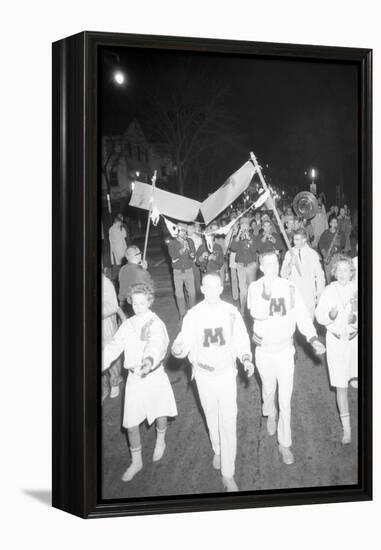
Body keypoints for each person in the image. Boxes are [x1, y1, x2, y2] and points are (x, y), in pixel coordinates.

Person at [171, 272, 254, 492]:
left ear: (221, 288)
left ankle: (229, 473)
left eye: (216, 286)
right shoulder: (193, 315)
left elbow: (241, 338)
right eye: (207, 286)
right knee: (211, 417)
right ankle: (217, 449)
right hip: (204, 376)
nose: (211, 291)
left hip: (226, 374)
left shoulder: (231, 312)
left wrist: (245, 357)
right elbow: (183, 341)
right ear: (201, 289)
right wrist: (177, 349)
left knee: (228, 422)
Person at [247, 252, 325, 465]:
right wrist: (266, 293)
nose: (272, 267)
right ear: (261, 267)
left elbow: (301, 315)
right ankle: (269, 412)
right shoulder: (255, 288)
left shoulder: (289, 287)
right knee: (269, 391)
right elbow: (257, 313)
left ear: (278, 264)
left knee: (286, 400)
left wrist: (312, 338)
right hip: (264, 352)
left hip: (285, 352)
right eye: (267, 264)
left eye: (275, 263)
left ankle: (285, 443)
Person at [102, 283, 178, 481]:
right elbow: (113, 347)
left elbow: (157, 343)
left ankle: (160, 439)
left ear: (149, 302)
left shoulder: (155, 322)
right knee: (131, 423)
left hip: (153, 375)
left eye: (142, 303)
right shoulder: (127, 325)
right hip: (134, 379)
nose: (138, 307)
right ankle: (136, 461)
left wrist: (148, 360)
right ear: (130, 303)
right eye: (134, 303)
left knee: (161, 411)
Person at [315, 255, 358, 443]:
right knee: (341, 386)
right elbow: (319, 316)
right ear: (334, 272)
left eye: (346, 270)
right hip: (335, 342)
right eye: (338, 270)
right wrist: (330, 315)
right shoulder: (328, 291)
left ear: (352, 272)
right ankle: (347, 429)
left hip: (356, 342)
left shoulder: (358, 289)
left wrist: (355, 320)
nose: (342, 273)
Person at [280, 228, 325, 318]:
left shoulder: (312, 254)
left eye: (297, 239)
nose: (294, 242)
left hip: (309, 294)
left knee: (309, 323)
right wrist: (290, 264)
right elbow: (283, 275)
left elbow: (320, 276)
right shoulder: (289, 253)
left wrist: (319, 293)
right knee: (294, 323)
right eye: (293, 239)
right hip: (294, 294)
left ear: (304, 240)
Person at [102, 273, 126, 400]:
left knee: (110, 351)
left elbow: (113, 306)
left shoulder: (105, 282)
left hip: (105, 326)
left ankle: (115, 380)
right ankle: (103, 385)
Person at [230, 217, 260, 315]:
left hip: (251, 265)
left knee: (252, 288)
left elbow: (256, 249)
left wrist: (249, 239)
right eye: (242, 225)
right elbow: (233, 248)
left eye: (246, 225)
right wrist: (238, 236)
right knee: (243, 290)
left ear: (249, 226)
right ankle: (243, 310)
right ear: (240, 227)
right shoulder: (237, 237)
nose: (244, 227)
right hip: (241, 266)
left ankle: (253, 309)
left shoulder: (253, 236)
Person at [167, 223, 196, 321]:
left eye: (185, 231)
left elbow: (193, 255)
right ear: (177, 231)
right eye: (182, 231)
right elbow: (173, 255)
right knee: (179, 294)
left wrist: (192, 255)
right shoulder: (172, 243)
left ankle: (192, 313)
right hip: (177, 271)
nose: (184, 233)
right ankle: (182, 314)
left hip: (188, 270)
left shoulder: (190, 241)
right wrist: (182, 250)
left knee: (192, 293)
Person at [118, 246, 154, 312]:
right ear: (138, 256)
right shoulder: (141, 272)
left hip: (123, 305)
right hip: (136, 306)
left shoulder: (122, 269)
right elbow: (150, 288)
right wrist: (145, 270)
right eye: (140, 253)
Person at [318, 216, 345, 283]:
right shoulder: (325, 232)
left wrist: (337, 247)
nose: (334, 223)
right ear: (329, 223)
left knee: (337, 274)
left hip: (336, 256)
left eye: (335, 222)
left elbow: (343, 244)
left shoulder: (340, 233)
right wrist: (325, 255)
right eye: (332, 222)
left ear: (337, 224)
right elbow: (321, 245)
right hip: (327, 256)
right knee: (328, 275)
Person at [187, 223, 203, 294]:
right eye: (187, 229)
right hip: (187, 262)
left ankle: (198, 294)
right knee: (188, 280)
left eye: (190, 229)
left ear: (194, 230)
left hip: (195, 262)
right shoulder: (185, 238)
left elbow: (200, 251)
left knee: (196, 279)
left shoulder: (198, 239)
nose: (188, 230)